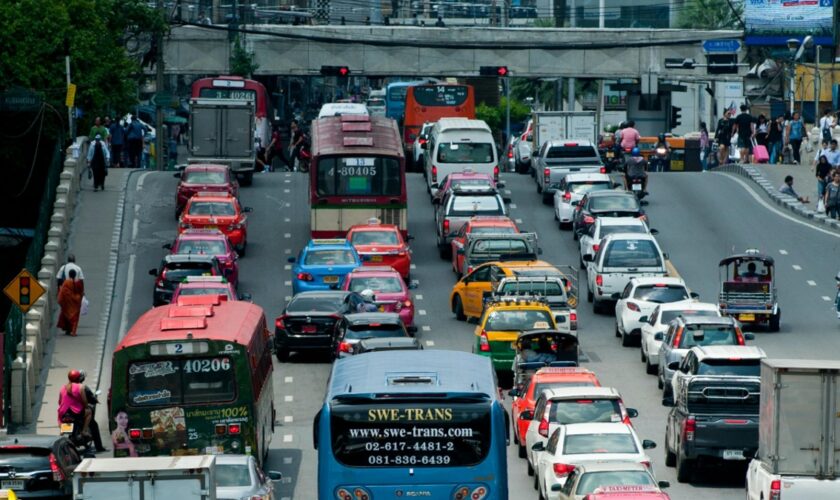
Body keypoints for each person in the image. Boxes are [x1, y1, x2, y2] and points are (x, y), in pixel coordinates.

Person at [78, 370, 107, 452]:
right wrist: (95, 400)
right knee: (94, 425)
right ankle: (99, 447)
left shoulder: (67, 388)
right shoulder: (83, 388)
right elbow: (90, 398)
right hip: (79, 412)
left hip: (68, 412)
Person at [57, 369, 91, 439]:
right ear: (79, 378)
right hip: (75, 413)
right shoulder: (80, 387)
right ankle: (84, 431)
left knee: (63, 422)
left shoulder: (63, 388)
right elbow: (85, 401)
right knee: (89, 412)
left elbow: (59, 402)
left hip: (63, 413)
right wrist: (86, 407)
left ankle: (63, 431)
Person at [58, 269, 84, 336]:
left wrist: (61, 300)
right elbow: (79, 292)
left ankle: (68, 330)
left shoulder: (66, 282)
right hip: (73, 302)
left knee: (67, 316)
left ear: (69, 275)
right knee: (75, 317)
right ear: (75, 275)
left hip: (66, 302)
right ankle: (73, 331)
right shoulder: (76, 283)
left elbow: (62, 292)